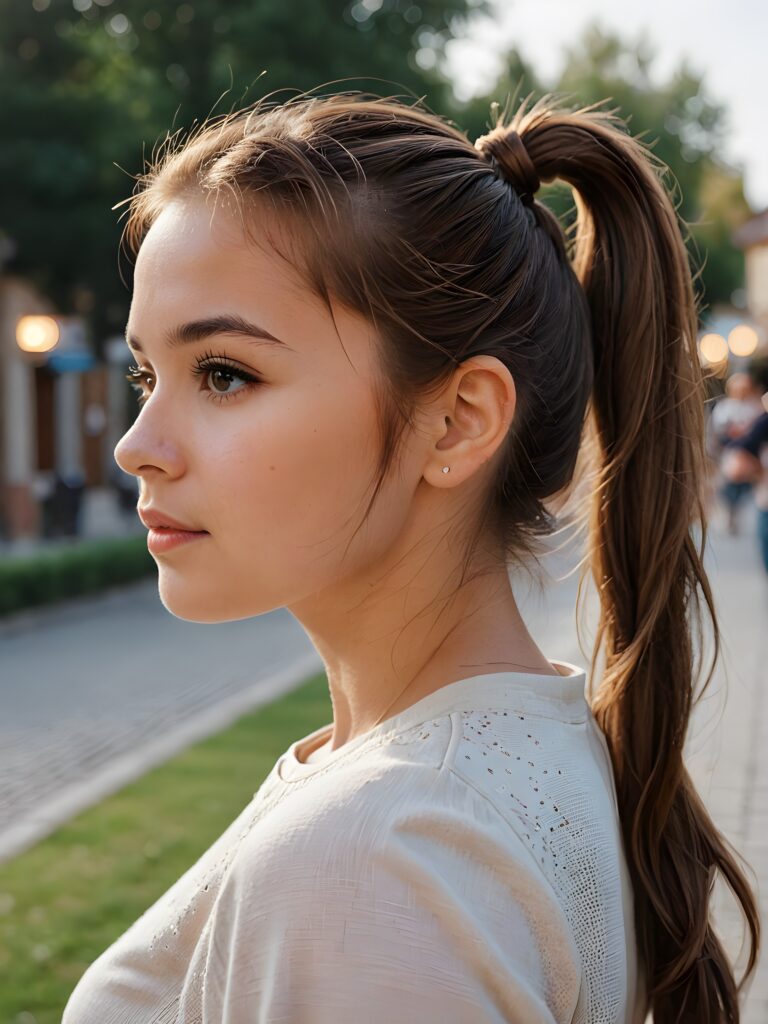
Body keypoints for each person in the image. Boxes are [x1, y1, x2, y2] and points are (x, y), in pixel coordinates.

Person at [62, 89, 759, 1023]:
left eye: (225, 374)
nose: (136, 446)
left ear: (459, 421)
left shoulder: (375, 862)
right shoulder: (523, 757)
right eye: (147, 375)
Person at [709, 371, 765, 534]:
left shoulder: (755, 407)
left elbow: (758, 434)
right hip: (730, 453)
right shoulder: (724, 408)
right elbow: (718, 434)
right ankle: (729, 510)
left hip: (752, 455)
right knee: (730, 482)